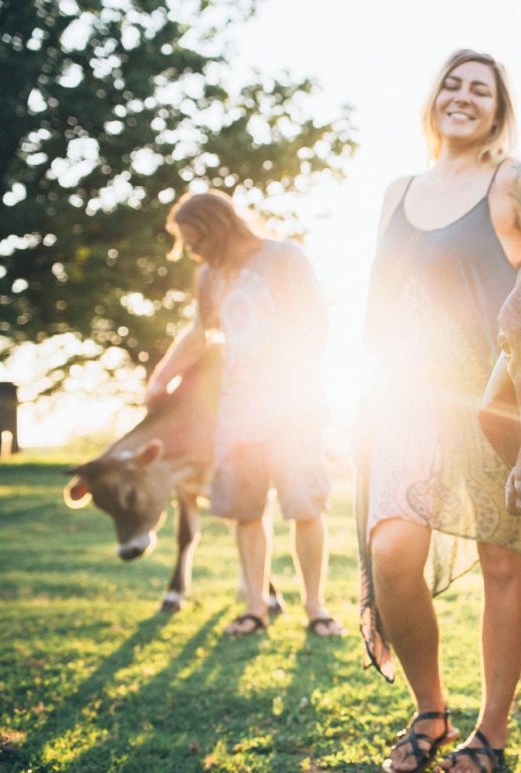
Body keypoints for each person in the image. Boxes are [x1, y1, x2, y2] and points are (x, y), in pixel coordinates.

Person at [355, 49, 521, 773]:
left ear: (499, 111)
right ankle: (428, 709)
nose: (463, 97)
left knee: (504, 561)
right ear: (433, 98)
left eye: (480, 90)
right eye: (452, 85)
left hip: (494, 396)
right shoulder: (396, 191)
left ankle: (490, 735)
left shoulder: (515, 182)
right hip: (406, 392)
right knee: (392, 552)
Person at [147, 190, 343, 639]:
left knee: (305, 505)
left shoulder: (285, 258)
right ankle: (255, 608)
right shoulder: (209, 276)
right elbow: (200, 332)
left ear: (218, 227)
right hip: (237, 412)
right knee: (245, 510)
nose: (191, 251)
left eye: (194, 240)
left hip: (293, 405)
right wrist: (162, 376)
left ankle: (315, 607)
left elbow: (316, 327)